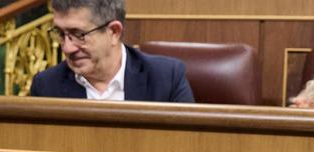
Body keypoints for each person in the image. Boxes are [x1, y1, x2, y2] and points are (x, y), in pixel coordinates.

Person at [30, 0, 194, 103]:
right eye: (60, 34)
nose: (67, 48)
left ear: (114, 32)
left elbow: (186, 149)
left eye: (79, 35)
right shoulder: (46, 86)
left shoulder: (166, 78)